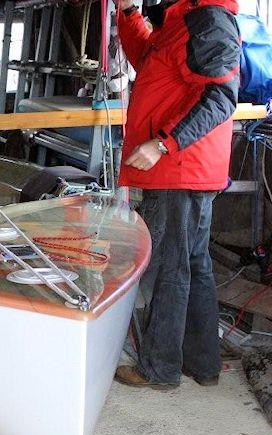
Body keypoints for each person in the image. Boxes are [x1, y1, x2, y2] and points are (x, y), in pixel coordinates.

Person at [113, 0, 241, 388]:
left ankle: (160, 368)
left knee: (170, 267)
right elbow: (149, 64)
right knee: (192, 263)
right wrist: (130, 14)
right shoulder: (182, 18)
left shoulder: (209, 19)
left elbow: (221, 97)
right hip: (181, 166)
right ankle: (203, 364)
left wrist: (164, 144)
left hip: (177, 166)